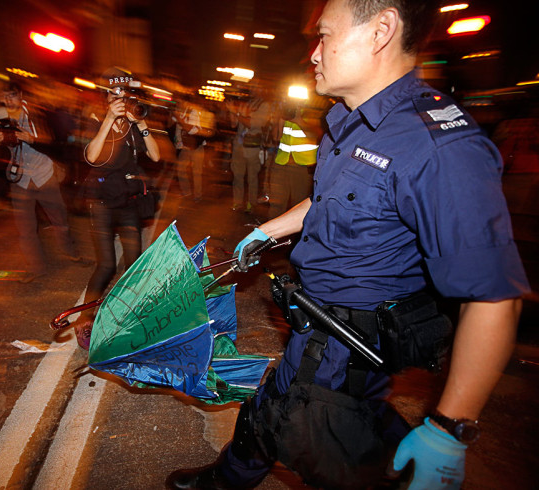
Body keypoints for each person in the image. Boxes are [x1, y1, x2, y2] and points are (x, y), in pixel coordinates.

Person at [167, 0, 529, 489]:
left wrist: (449, 427)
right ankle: (228, 478)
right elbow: (332, 200)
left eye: (325, 36)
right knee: (276, 403)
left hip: (352, 339)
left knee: (323, 440)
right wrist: (268, 231)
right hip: (316, 320)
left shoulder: (440, 148)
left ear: (381, 31)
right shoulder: (351, 118)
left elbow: (493, 298)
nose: (314, 54)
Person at [73, 68, 160, 350]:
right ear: (106, 96)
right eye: (115, 94)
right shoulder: (96, 117)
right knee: (107, 264)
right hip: (101, 201)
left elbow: (156, 156)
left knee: (134, 264)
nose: (121, 99)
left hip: (128, 201)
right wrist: (110, 119)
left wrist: (142, 124)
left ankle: (128, 318)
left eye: (125, 93)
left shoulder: (134, 120)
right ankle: (85, 321)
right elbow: (92, 157)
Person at [0, 81, 75, 283]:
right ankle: (37, 268)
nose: (8, 100)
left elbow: (52, 139)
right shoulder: (0, 116)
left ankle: (71, 252)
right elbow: (0, 149)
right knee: (26, 229)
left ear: (19, 94)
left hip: (44, 176)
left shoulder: (34, 113)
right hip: (20, 179)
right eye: (4, 96)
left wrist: (31, 138)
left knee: (59, 219)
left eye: (11, 95)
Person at [267, 104, 320, 219]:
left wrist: (299, 121)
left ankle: (296, 236)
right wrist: (278, 120)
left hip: (302, 167)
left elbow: (318, 135)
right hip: (282, 163)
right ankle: (273, 235)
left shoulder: (312, 111)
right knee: (276, 203)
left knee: (298, 205)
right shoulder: (287, 111)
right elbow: (276, 137)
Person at [229, 86, 275, 213]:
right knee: (237, 176)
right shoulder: (243, 103)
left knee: (252, 177)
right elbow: (233, 124)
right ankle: (237, 203)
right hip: (239, 144)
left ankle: (251, 203)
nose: (253, 89)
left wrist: (236, 112)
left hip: (253, 146)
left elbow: (253, 123)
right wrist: (232, 112)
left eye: (256, 86)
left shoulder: (264, 105)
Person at [172, 94, 214, 202]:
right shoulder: (180, 111)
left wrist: (178, 119)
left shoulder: (193, 111)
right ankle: (186, 193)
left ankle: (197, 195)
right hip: (186, 145)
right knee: (181, 169)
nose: (177, 104)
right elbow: (172, 124)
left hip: (196, 146)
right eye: (176, 102)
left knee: (196, 172)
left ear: (185, 102)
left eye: (179, 102)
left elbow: (191, 129)